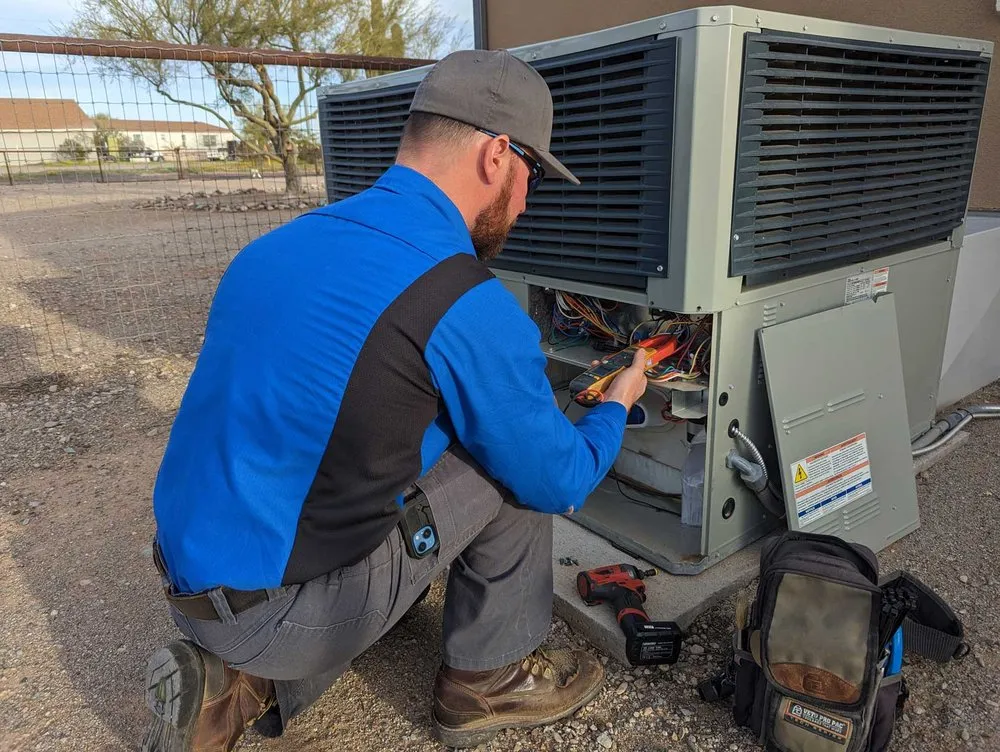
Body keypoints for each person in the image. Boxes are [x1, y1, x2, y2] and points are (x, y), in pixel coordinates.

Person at [141, 48, 649, 752]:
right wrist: (615, 403)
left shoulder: (280, 244)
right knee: (515, 463)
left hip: (187, 583)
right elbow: (557, 476)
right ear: (496, 155)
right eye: (533, 171)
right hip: (274, 618)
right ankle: (487, 684)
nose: (530, 199)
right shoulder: (463, 298)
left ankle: (232, 690)